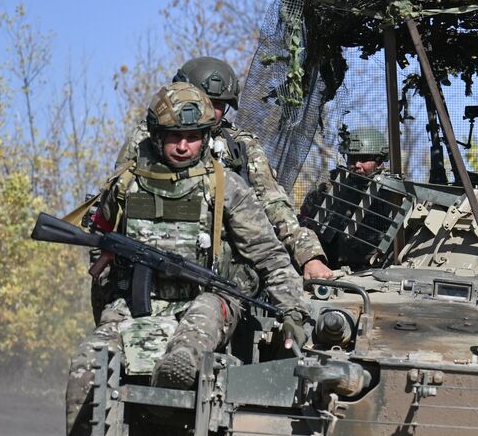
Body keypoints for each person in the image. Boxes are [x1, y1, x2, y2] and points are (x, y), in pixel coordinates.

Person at [34, 82, 309, 436]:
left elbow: (270, 257)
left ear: (206, 136)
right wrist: (109, 262)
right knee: (88, 362)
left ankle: (166, 405)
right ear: (155, 136)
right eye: (174, 137)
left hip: (209, 296)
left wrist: (294, 314)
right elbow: (99, 235)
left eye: (193, 137)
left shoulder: (226, 187)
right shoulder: (125, 184)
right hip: (140, 301)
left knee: (186, 349)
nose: (183, 146)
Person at [115, 56, 333, 281]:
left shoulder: (240, 146)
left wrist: (309, 255)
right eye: (204, 99)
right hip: (152, 259)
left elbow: (273, 203)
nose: (210, 110)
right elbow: (116, 199)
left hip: (220, 271)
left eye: (219, 104)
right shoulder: (147, 140)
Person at [300, 126, 391, 267]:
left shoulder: (391, 193)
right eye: (352, 159)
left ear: (380, 161)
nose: (357, 165)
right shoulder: (330, 186)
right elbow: (305, 223)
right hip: (328, 266)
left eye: (364, 159)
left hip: (374, 270)